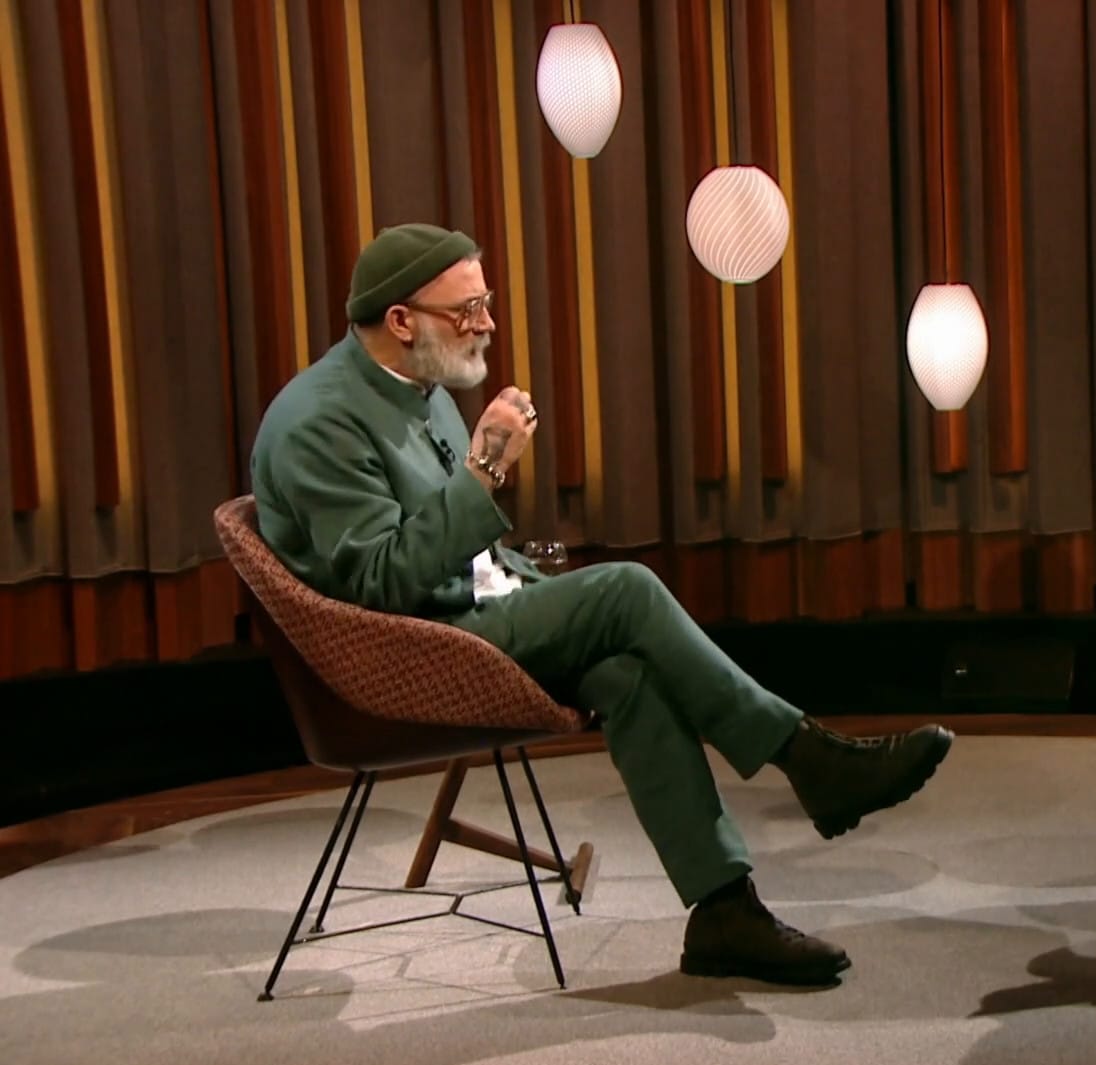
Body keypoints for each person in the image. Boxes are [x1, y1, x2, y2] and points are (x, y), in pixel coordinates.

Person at [249, 223, 954, 987]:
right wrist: (486, 469)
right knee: (626, 589)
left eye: (486, 302)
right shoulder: (319, 421)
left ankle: (724, 911)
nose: (486, 323)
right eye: (468, 308)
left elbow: (460, 551)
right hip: (406, 652)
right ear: (400, 320)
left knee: (628, 672)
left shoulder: (420, 383)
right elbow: (381, 585)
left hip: (466, 611)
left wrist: (524, 573)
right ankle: (809, 758)